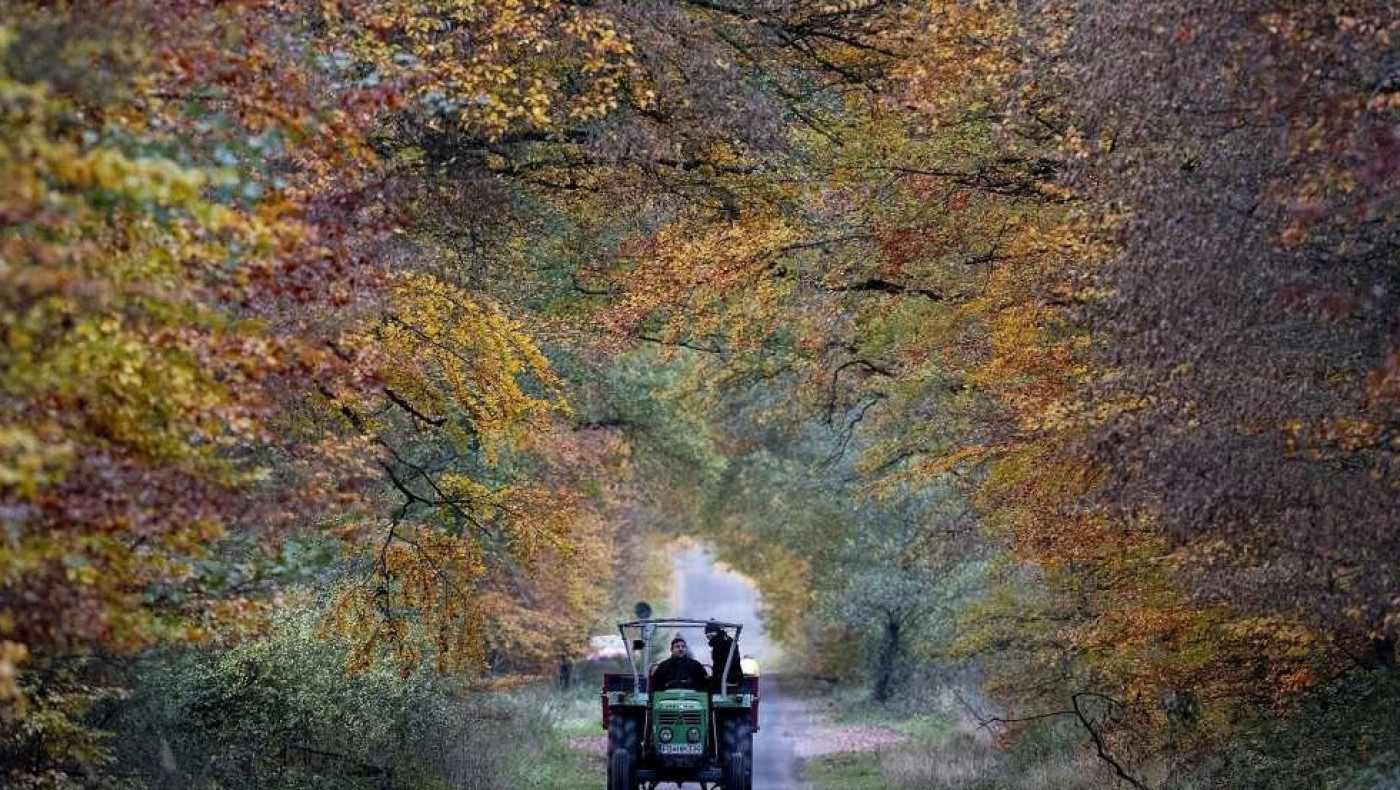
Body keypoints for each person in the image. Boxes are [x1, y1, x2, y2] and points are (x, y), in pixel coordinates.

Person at [704, 622, 744, 693]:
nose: (709, 634)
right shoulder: (719, 643)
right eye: (707, 633)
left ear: (717, 631)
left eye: (712, 632)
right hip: (725, 677)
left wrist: (715, 679)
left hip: (730, 679)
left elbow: (724, 664)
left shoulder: (725, 643)